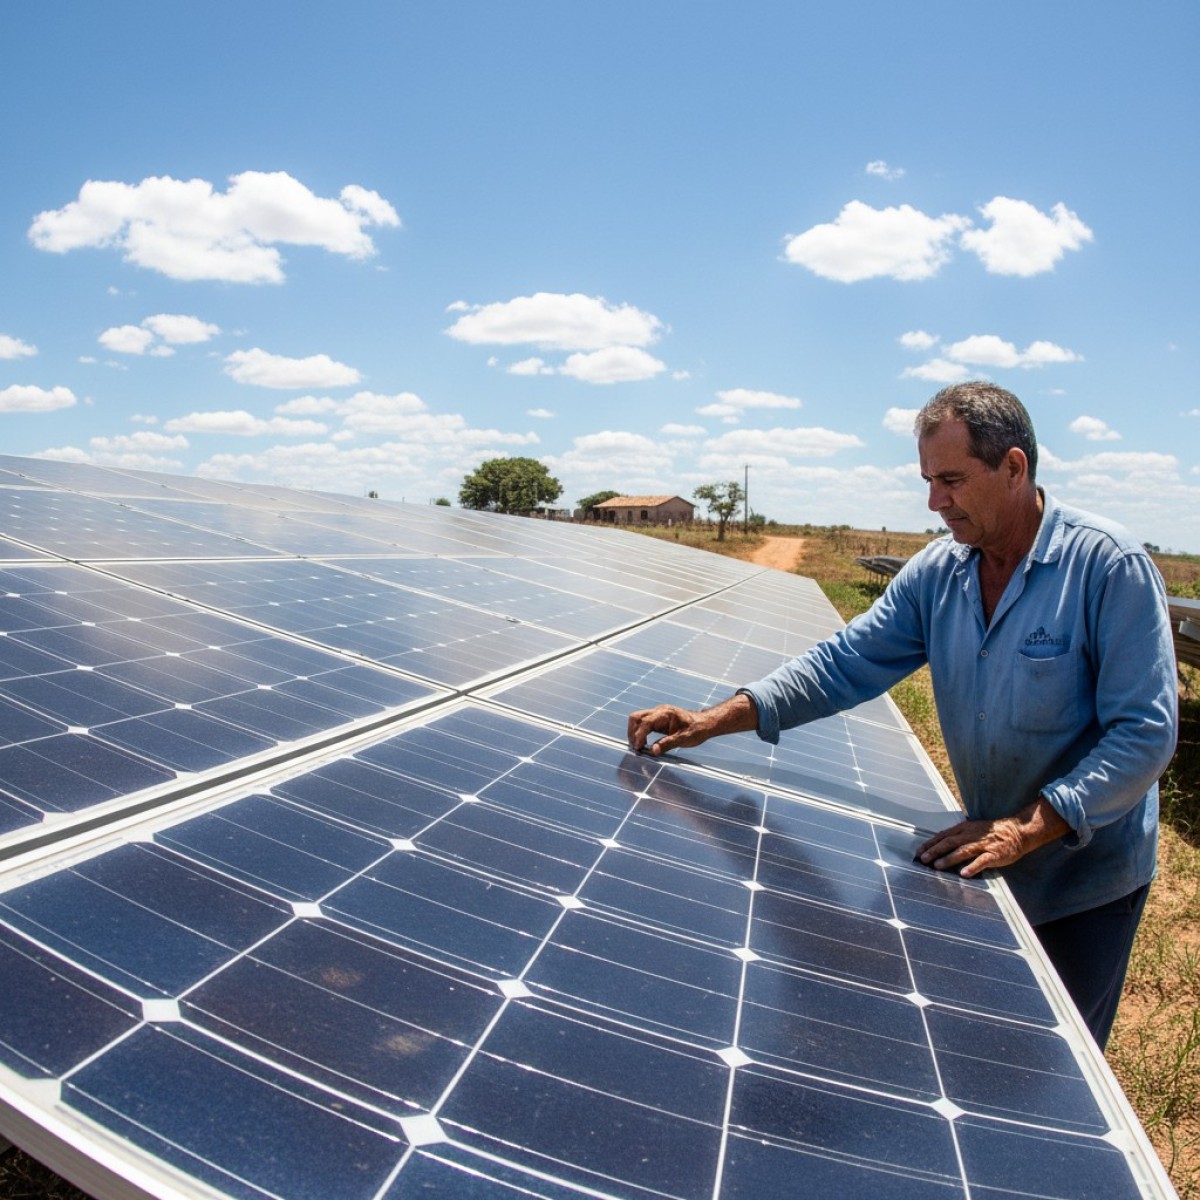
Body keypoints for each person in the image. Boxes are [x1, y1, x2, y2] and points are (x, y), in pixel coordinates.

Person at [627, 381, 1177, 1049]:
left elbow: (1144, 733)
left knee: (1050, 1067)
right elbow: (843, 663)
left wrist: (1025, 830)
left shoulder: (1104, 566)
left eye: (951, 479)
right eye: (927, 480)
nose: (934, 501)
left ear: (1013, 468)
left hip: (1083, 887)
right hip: (987, 861)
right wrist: (714, 719)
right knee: (971, 1044)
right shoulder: (940, 572)